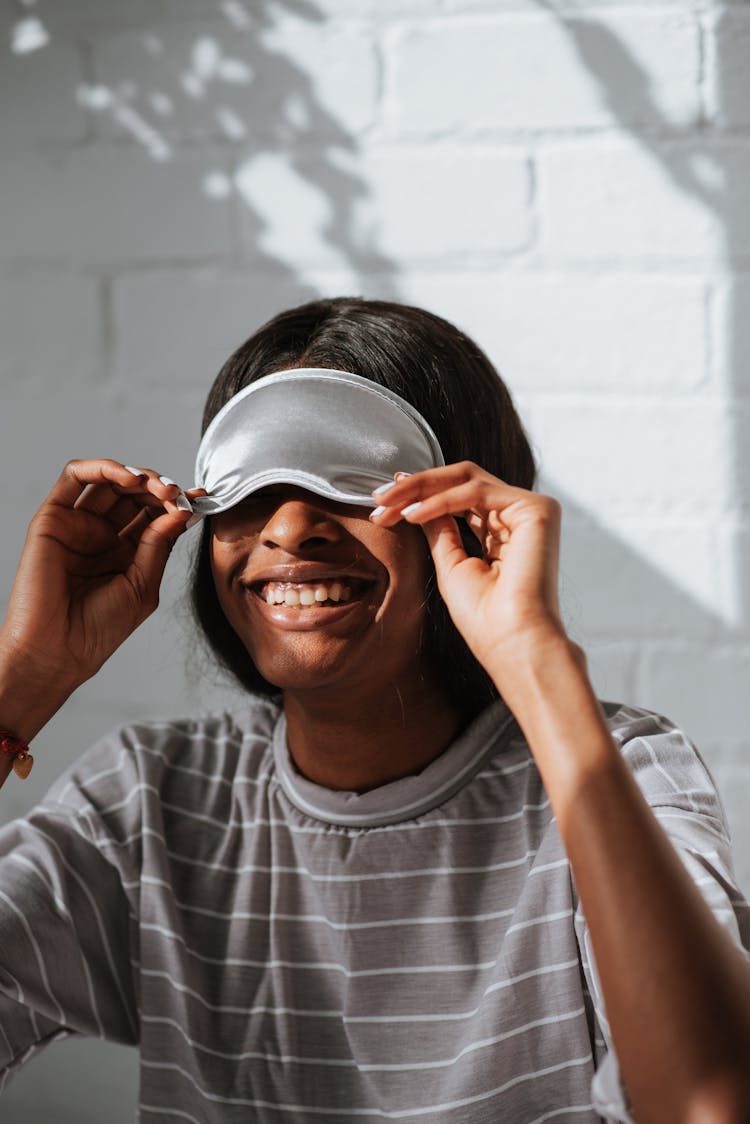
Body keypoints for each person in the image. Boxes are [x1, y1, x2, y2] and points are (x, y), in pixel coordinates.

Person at [0, 296, 749, 1123]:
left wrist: (537, 660)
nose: (289, 525)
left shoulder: (623, 771)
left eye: (352, 477)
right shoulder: (148, 803)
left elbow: (709, 1101)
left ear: (470, 514)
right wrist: (24, 680)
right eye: (254, 481)